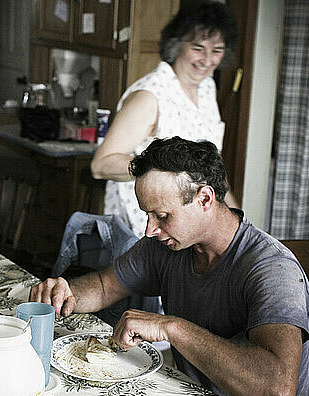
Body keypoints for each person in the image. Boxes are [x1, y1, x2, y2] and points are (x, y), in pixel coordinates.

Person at [31, 137, 309, 396]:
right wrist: (65, 292)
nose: (150, 229)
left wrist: (173, 328)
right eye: (147, 215)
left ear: (204, 199)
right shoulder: (168, 244)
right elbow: (105, 287)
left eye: (162, 216)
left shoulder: (273, 269)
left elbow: (277, 390)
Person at [91, 0, 239, 238]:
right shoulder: (150, 96)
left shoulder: (207, 89)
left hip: (188, 229)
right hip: (145, 229)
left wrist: (237, 221)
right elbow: (101, 165)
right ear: (177, 43)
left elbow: (213, 169)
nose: (207, 60)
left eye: (217, 50)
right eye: (198, 48)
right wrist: (163, 167)